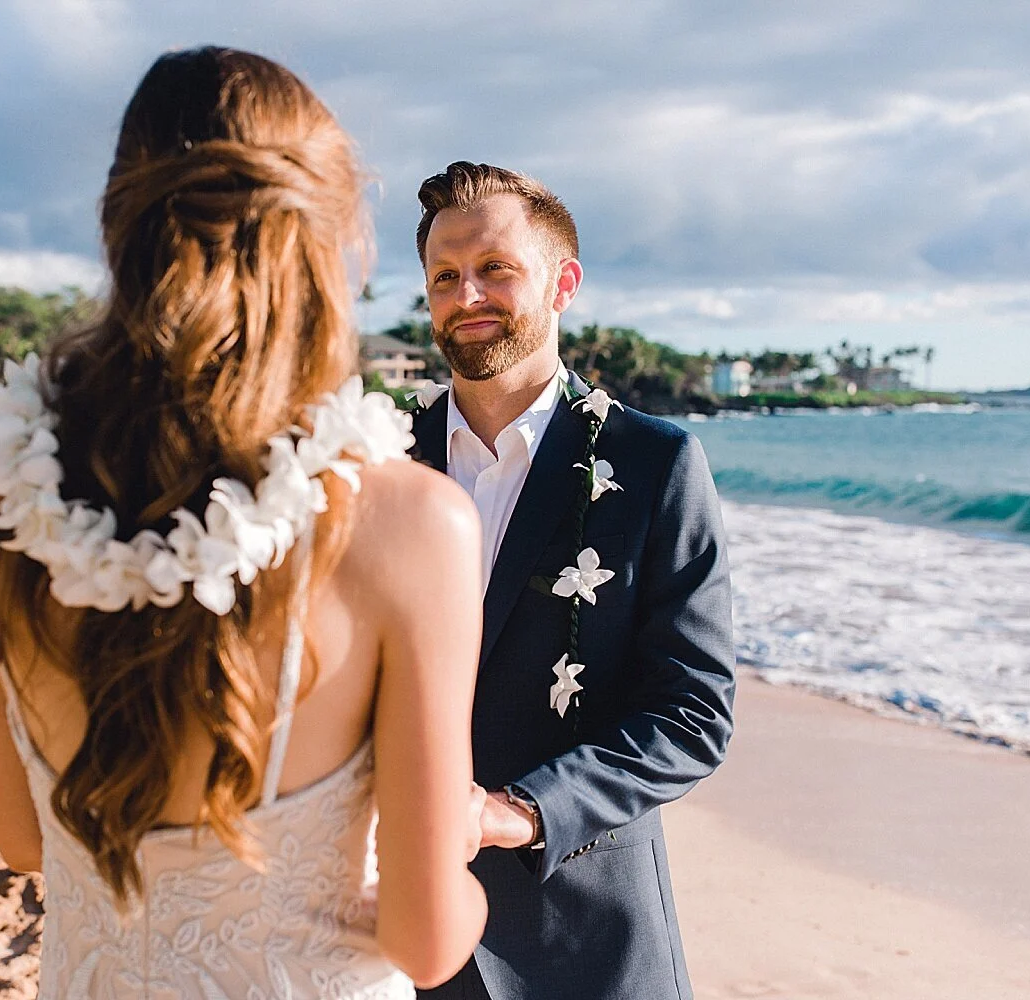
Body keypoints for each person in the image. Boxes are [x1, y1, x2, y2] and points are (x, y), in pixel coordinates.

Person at [0, 48, 488, 998]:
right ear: (330, 246)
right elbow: (426, 938)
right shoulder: (408, 522)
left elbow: (20, 834)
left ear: (121, 220)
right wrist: (467, 879)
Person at [406, 162, 737, 1000]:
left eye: (496, 269)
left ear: (564, 283)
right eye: (445, 276)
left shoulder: (657, 464)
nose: (468, 292)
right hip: (394, 935)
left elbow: (692, 713)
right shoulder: (372, 461)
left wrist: (518, 811)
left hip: (582, 944)